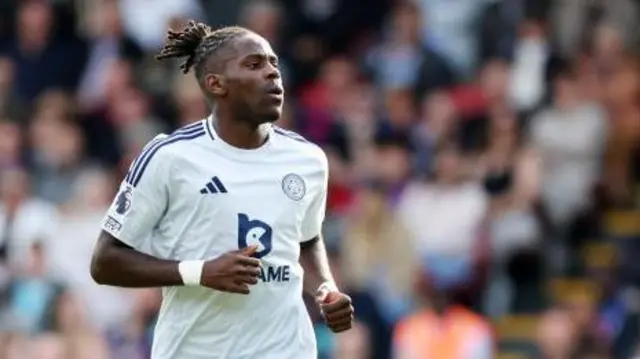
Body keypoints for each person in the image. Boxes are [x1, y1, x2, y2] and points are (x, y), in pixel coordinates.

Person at [90, 21, 354, 359]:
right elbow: (105, 261)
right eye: (255, 64)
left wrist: (325, 289)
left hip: (286, 348)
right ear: (216, 84)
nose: (273, 74)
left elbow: (305, 240)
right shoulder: (170, 157)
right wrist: (200, 272)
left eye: (273, 63)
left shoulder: (308, 160)